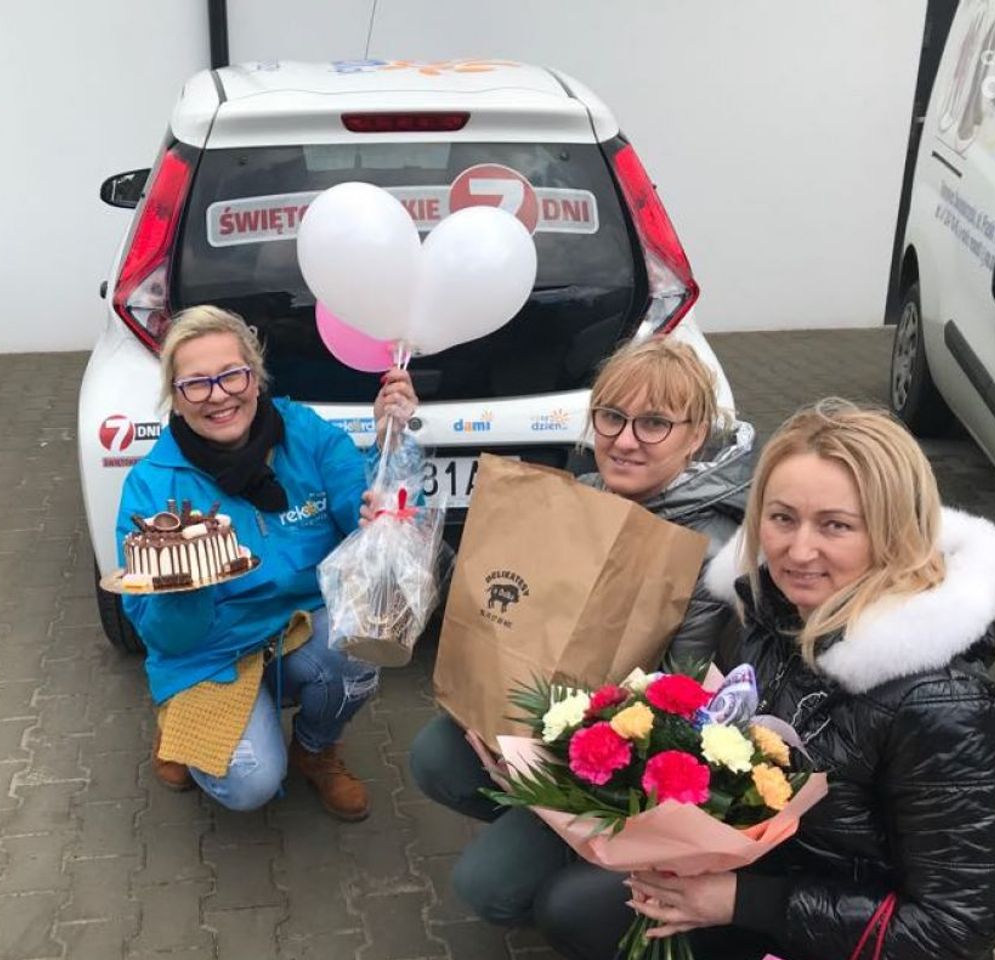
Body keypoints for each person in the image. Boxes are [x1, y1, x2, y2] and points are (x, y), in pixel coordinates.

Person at [535, 399, 995, 960]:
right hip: (777, 897)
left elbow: (955, 928)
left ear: (894, 531)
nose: (798, 549)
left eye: (837, 526)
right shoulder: (774, 613)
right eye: (782, 518)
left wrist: (738, 902)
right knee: (574, 907)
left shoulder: (944, 704)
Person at [407, 337, 755, 923]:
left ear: (695, 436)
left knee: (486, 886)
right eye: (611, 416)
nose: (624, 440)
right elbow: (499, 599)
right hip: (552, 728)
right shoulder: (585, 495)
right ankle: (547, 838)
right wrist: (414, 538)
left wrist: (546, 764)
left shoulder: (712, 550)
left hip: (625, 772)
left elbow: (679, 705)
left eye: (654, 424)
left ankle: (595, 879)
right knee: (436, 753)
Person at [118, 305, 417, 820]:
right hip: (210, 651)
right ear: (176, 396)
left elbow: (359, 502)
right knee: (250, 785)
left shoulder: (303, 433)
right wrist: (183, 590)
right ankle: (180, 727)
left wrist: (386, 467)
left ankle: (315, 750)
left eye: (232, 375)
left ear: (255, 378)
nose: (219, 395)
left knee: (358, 647)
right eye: (196, 384)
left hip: (299, 627)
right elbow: (166, 638)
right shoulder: (152, 487)